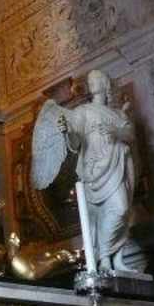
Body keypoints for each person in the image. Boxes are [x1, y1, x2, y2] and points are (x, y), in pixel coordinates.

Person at [58, 70, 136, 271]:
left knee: (121, 209)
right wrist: (68, 132)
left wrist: (116, 131)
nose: (91, 82)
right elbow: (75, 143)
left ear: (105, 83)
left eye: (96, 79)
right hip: (94, 167)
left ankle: (114, 258)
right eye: (90, 80)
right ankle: (105, 258)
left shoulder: (117, 114)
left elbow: (130, 135)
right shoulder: (82, 111)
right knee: (103, 213)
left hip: (116, 164)